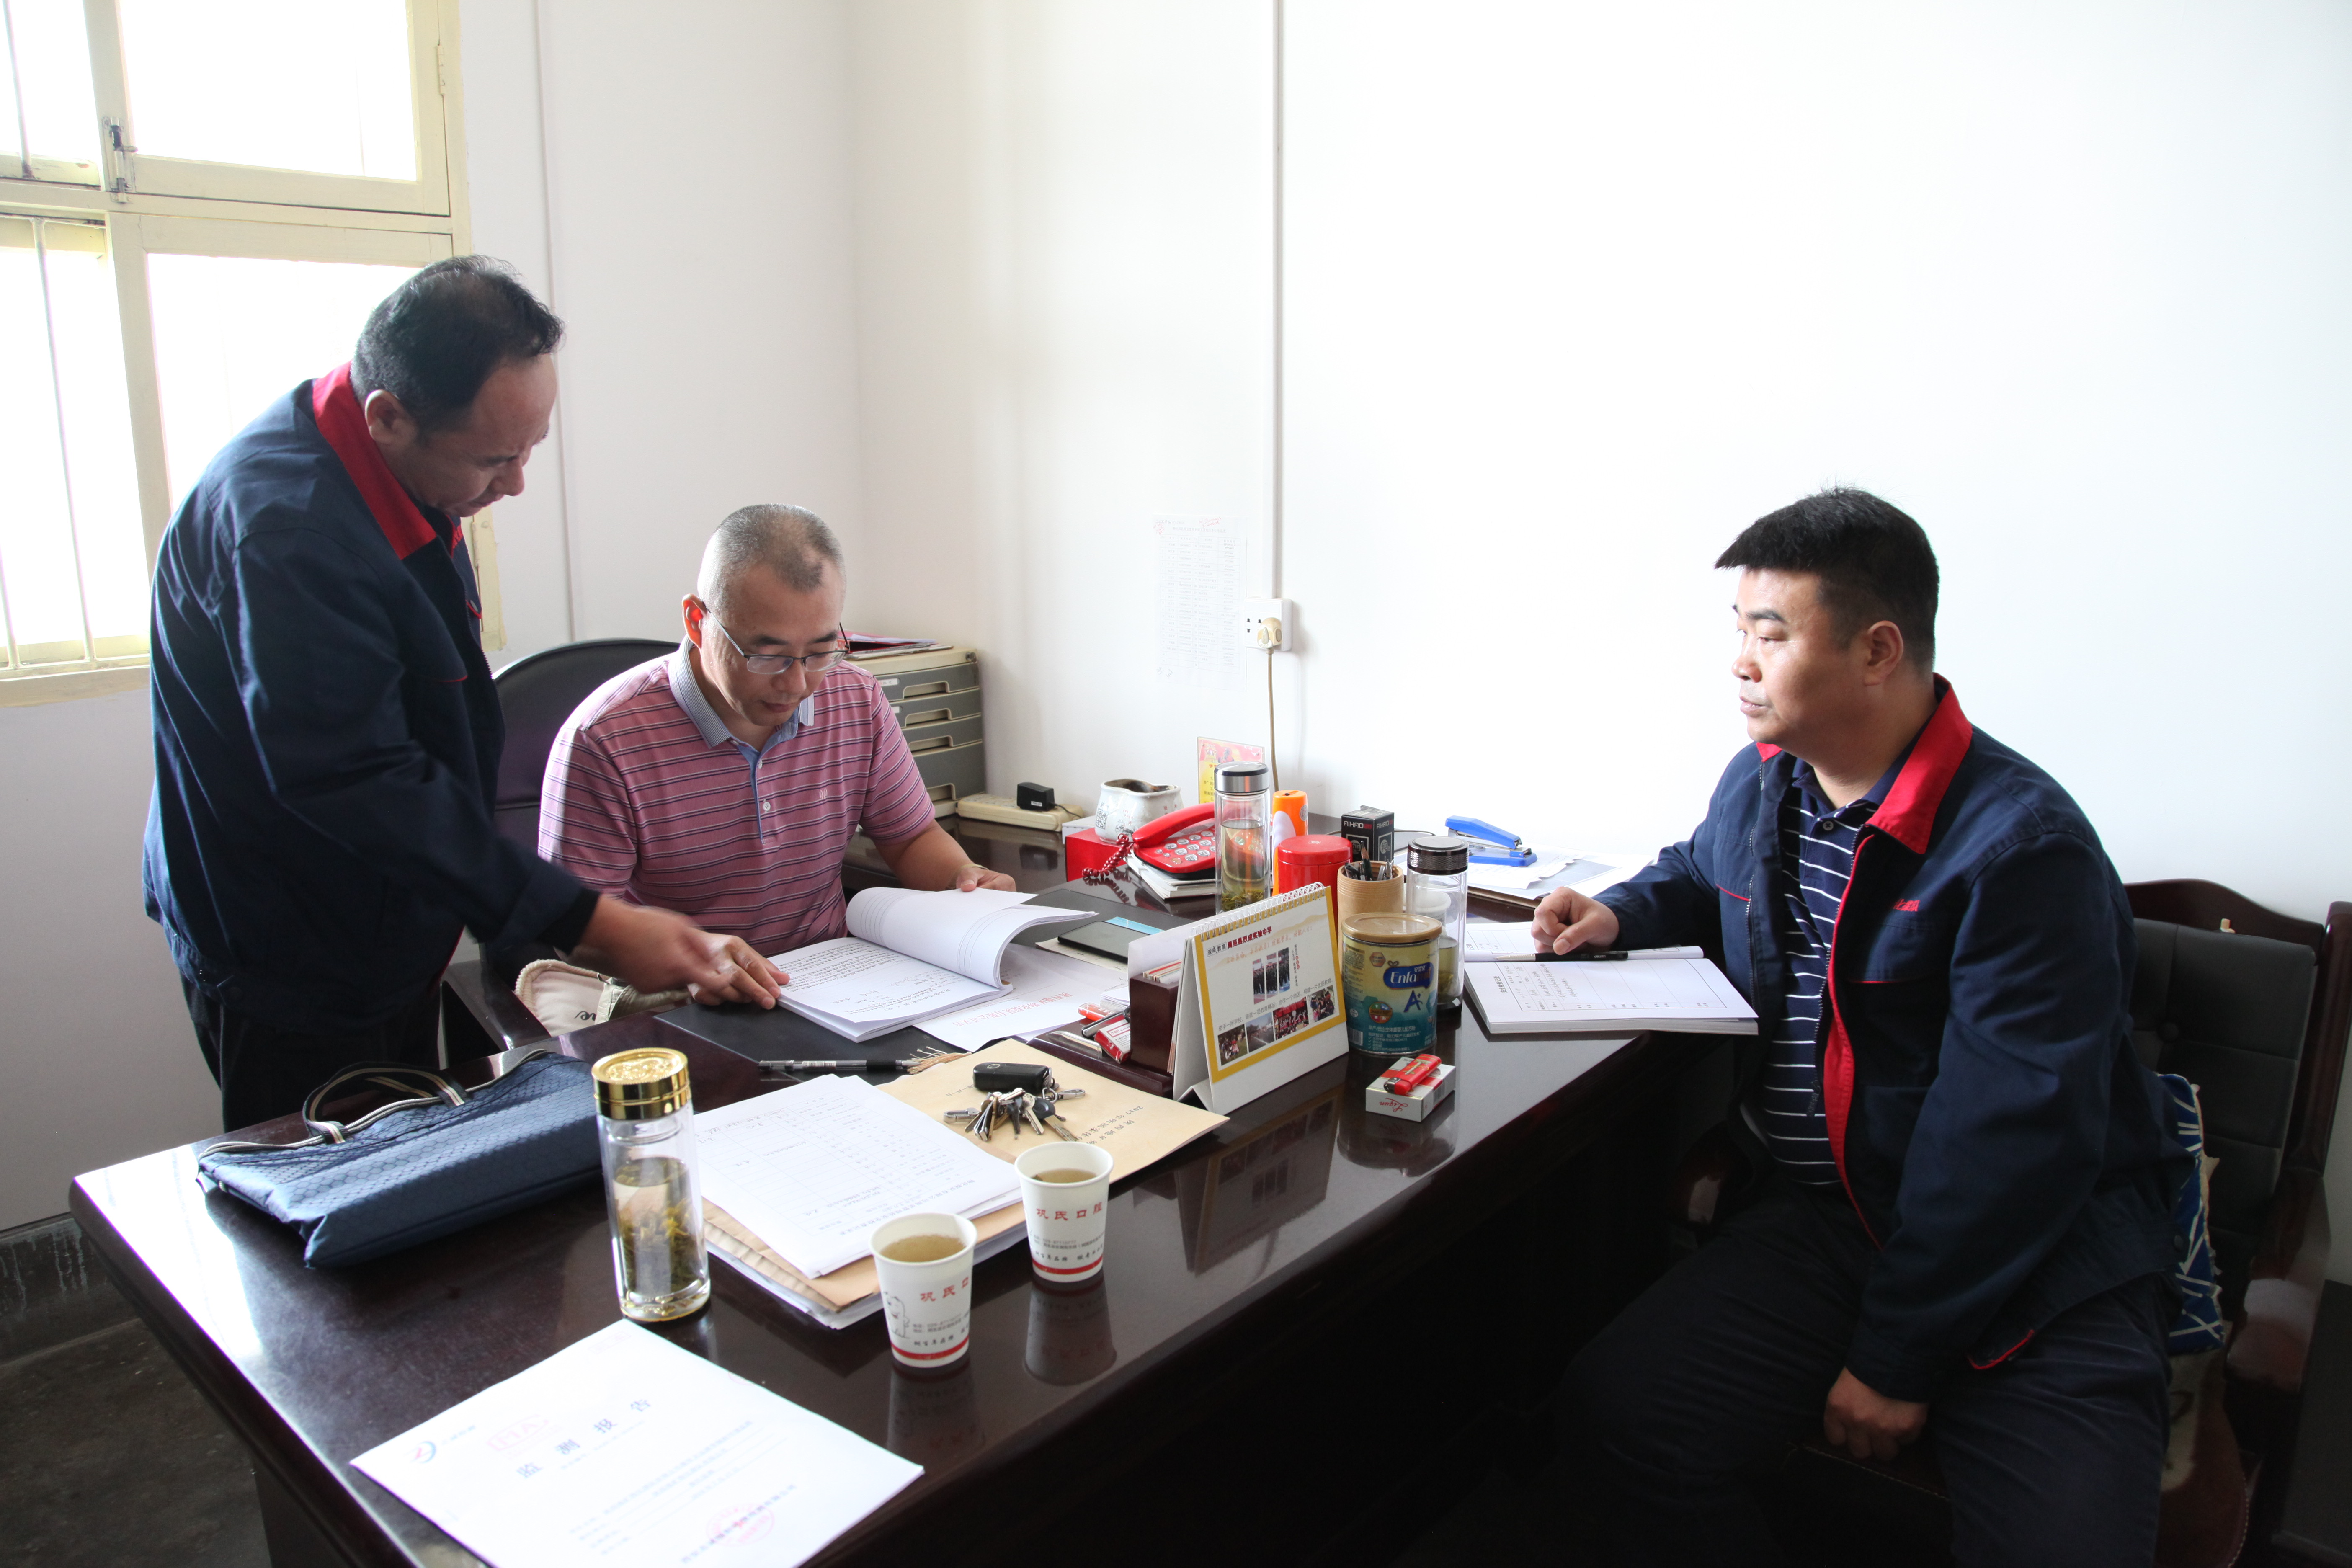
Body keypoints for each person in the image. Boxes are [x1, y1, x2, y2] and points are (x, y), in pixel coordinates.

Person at [1539, 489, 2187, 1566]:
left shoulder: (2023, 851)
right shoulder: (1765, 783)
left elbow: (2012, 1145)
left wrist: (1895, 1358)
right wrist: (1623, 912)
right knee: (1620, 1418)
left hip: (2039, 1256)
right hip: (1833, 1224)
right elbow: (1701, 870)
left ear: (1878, 649)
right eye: (1737, 630)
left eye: (1771, 634)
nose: (1740, 663)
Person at [147, 257, 765, 1131]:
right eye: (495, 458)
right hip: (294, 935)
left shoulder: (400, 465)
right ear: (388, 416)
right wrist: (596, 921)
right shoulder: (289, 530)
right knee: (334, 1173)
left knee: (415, 1143)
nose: (515, 484)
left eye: (531, 448)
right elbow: (356, 777)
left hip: (395, 913)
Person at [537, 504, 1014, 966]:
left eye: (821, 652)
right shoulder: (605, 739)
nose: (797, 684)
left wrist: (964, 880)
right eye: (768, 656)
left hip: (829, 978)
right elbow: (570, 929)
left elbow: (910, 838)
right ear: (697, 622)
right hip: (677, 994)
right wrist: (695, 959)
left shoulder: (855, 698)